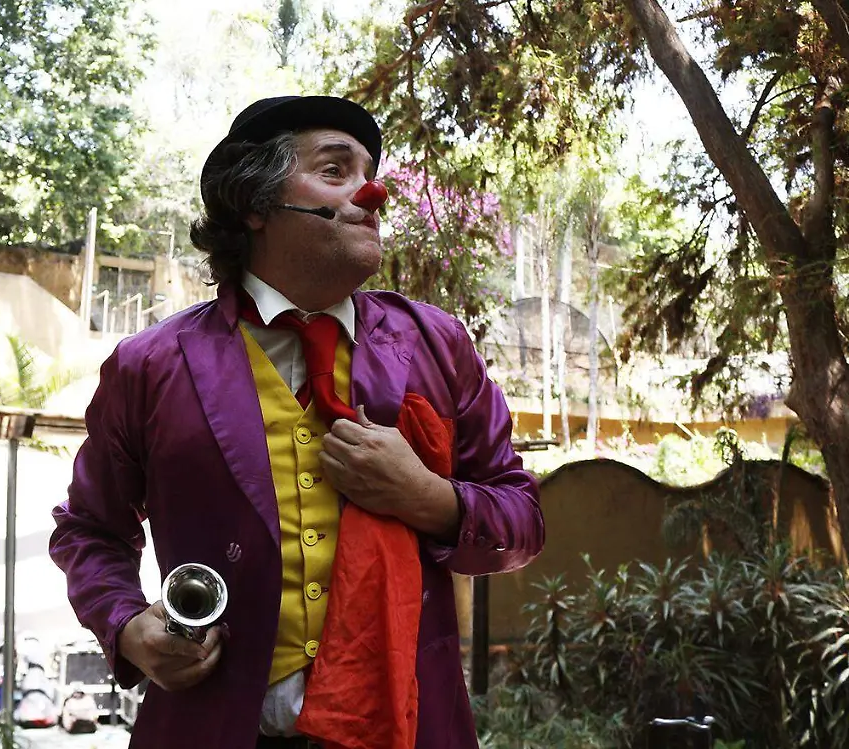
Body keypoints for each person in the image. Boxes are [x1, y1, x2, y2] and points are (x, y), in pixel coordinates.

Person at [49, 95, 545, 749]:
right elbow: (89, 528)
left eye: (370, 172)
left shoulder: (437, 345)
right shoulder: (150, 366)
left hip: (407, 728)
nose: (373, 192)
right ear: (255, 205)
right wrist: (126, 626)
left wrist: (427, 497)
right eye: (335, 170)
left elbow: (522, 519)